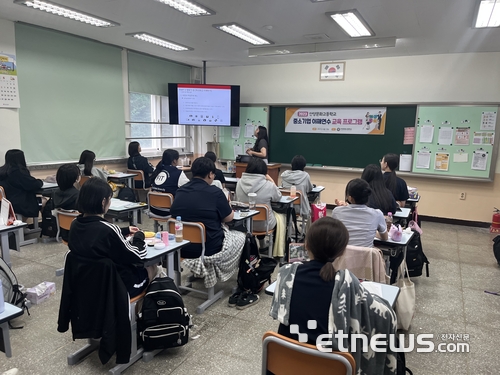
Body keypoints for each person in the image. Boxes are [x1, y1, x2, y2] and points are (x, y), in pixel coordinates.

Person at [270, 217, 397, 375]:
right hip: (328, 366)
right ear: (343, 251)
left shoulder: (286, 274)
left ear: (306, 245)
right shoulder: (347, 283)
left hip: (286, 364)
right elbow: (385, 316)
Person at [68, 178, 156, 298]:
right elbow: (137, 254)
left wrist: (124, 230)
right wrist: (139, 237)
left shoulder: (75, 224)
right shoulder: (108, 230)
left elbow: (96, 234)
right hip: (117, 287)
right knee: (153, 267)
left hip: (88, 285)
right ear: (103, 202)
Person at [170, 157, 234, 259]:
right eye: (213, 174)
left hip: (180, 246)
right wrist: (229, 205)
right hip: (209, 247)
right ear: (210, 174)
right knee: (241, 238)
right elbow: (228, 218)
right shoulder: (216, 192)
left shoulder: (180, 190)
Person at [331, 178, 388, 247]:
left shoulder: (337, 212)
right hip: (366, 256)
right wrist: (373, 232)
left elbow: (334, 236)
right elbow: (385, 238)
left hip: (343, 256)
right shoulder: (377, 214)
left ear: (350, 198)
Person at [235, 158, 282, 232]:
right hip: (265, 225)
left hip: (244, 224)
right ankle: (275, 243)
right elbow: (278, 197)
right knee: (281, 218)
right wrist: (272, 181)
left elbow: (236, 200)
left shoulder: (239, 183)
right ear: (264, 171)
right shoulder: (269, 185)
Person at [0, 149, 43, 218]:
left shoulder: (2, 171)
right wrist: (40, 181)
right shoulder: (18, 172)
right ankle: (46, 226)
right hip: (19, 204)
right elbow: (34, 184)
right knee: (46, 201)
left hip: (5, 204)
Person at [52, 164, 81, 242]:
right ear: (76, 178)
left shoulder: (55, 193)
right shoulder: (79, 196)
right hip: (78, 234)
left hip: (63, 232)